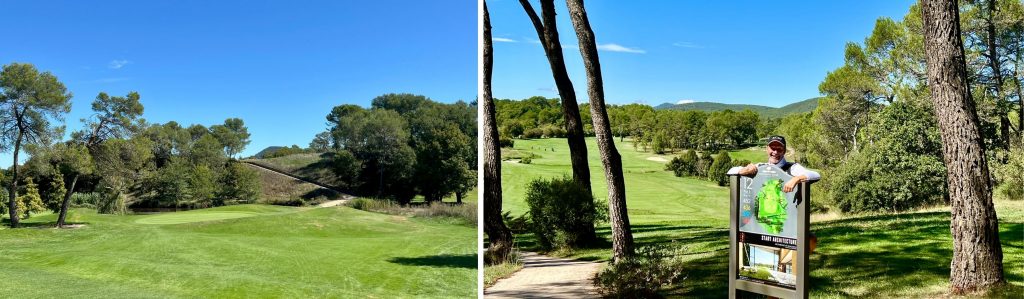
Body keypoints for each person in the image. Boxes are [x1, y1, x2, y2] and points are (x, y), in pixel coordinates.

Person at [737, 135, 820, 252]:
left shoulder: (792, 168)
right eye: (772, 148)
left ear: (784, 151)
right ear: (767, 149)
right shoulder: (760, 167)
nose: (775, 152)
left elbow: (815, 175)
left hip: (787, 227)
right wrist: (744, 170)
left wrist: (795, 179)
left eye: (779, 149)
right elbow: (733, 172)